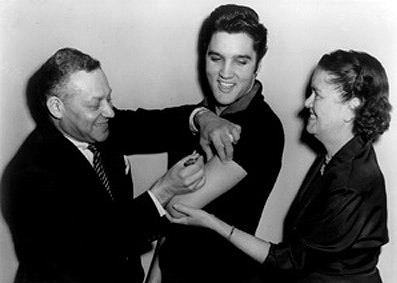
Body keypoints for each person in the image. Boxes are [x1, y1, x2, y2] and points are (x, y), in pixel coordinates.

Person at [0, 47, 240, 283]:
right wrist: (164, 190)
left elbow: (153, 123)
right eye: (95, 104)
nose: (110, 112)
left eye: (109, 98)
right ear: (56, 107)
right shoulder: (29, 176)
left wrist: (203, 117)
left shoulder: (93, 127)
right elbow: (96, 248)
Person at [171, 49, 392, 283]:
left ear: (352, 107)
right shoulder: (340, 156)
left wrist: (211, 222)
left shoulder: (350, 183)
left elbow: (290, 261)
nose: (307, 103)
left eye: (317, 94)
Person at [152, 4, 284, 283]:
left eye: (241, 61)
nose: (225, 73)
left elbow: (175, 206)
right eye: (216, 58)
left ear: (259, 62)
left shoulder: (263, 128)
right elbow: (170, 231)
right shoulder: (199, 117)